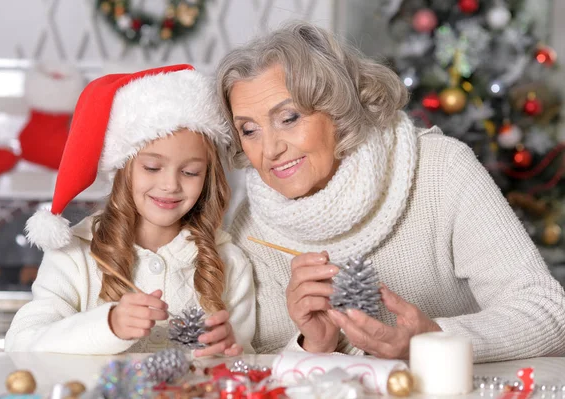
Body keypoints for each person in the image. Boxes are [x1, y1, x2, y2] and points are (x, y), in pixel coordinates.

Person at [216, 22, 565, 362]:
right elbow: (254, 363)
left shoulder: (440, 169)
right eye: (249, 130)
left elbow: (548, 313)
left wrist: (433, 340)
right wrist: (314, 343)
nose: (270, 149)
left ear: (337, 109)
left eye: (289, 118)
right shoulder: (251, 226)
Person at [5, 65, 255, 356]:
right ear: (124, 168)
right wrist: (108, 325)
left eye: (190, 172)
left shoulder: (229, 262)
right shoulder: (74, 254)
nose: (170, 185)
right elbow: (23, 342)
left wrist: (229, 347)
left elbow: (247, 361)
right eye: (152, 167)